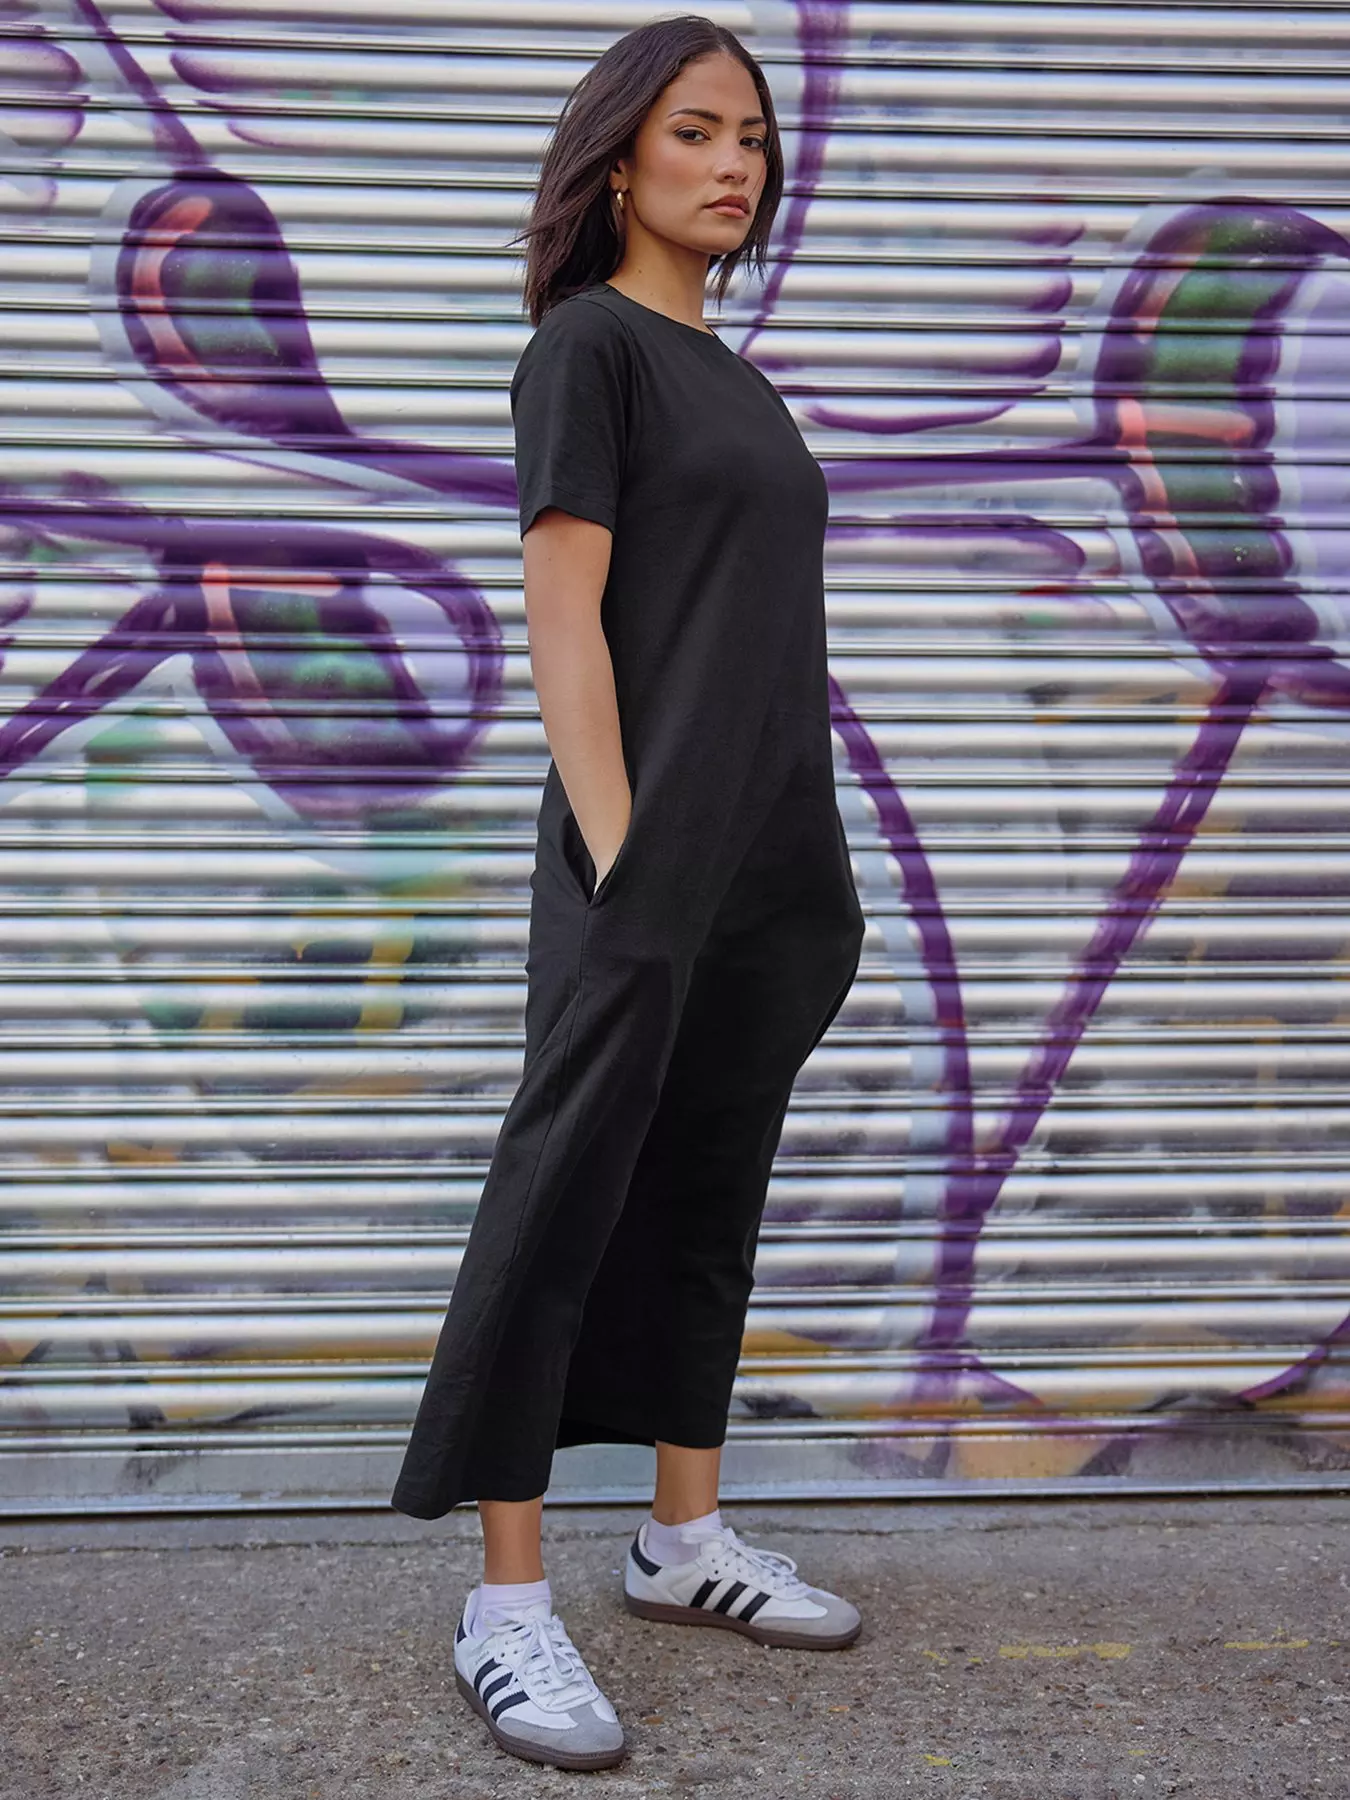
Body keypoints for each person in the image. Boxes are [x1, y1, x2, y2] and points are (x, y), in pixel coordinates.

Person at [390, 13, 867, 1773]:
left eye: (751, 135)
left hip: (769, 865)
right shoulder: (586, 348)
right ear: (614, 161)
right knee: (566, 1196)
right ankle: (506, 1603)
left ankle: (680, 1540)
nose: (734, 163)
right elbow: (564, 617)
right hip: (643, 864)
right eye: (694, 131)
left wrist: (791, 872)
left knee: (706, 1191)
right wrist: (617, 853)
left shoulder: (737, 373)